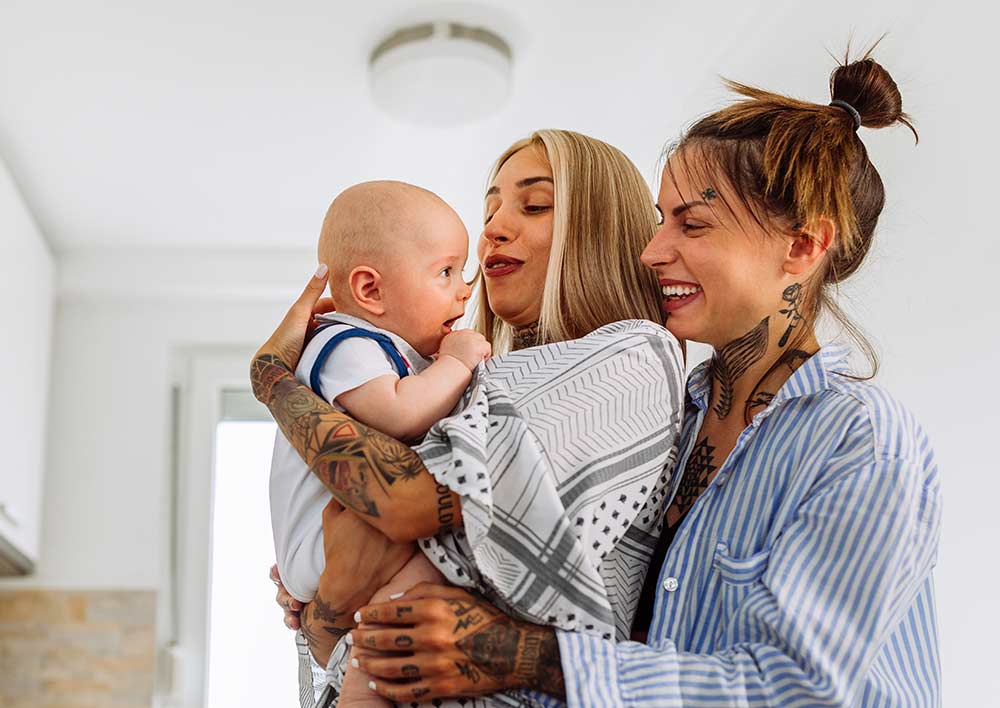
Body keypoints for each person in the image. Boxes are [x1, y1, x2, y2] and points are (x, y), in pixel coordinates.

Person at [318, 52, 941, 706]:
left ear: (803, 247)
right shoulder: (675, 425)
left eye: (691, 224)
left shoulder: (862, 441)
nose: (652, 249)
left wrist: (524, 653)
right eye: (661, 217)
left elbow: (800, 691)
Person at [256, 130, 687, 707]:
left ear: (598, 228)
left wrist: (272, 379)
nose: (494, 229)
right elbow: (339, 624)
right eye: (490, 210)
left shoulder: (633, 355)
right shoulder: (472, 376)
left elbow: (401, 507)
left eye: (534, 205)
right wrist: (324, 606)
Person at [268, 180, 495, 705]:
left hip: (329, 554)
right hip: (321, 547)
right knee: (428, 580)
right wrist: (457, 362)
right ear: (371, 291)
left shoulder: (379, 348)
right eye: (445, 272)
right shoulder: (343, 341)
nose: (464, 289)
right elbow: (396, 414)